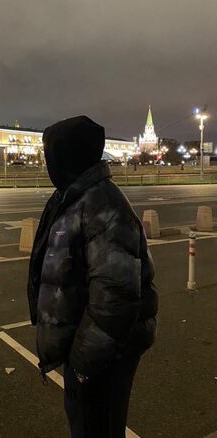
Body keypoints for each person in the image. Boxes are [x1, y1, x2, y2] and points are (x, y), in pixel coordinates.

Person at [27, 116, 158, 438]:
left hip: (105, 354)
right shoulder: (73, 196)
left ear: (69, 156)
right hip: (92, 349)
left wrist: (83, 363)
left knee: (97, 428)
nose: (47, 163)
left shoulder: (103, 205)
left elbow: (116, 298)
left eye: (50, 154)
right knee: (86, 424)